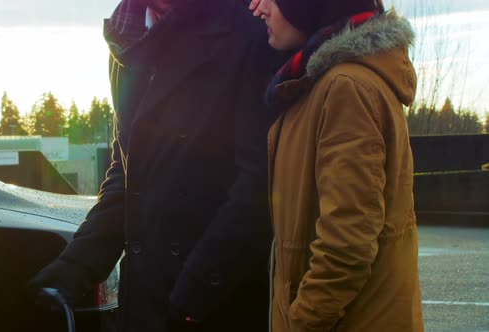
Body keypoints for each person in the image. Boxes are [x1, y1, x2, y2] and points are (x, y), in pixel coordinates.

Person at [31, 0, 279, 331]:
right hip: (146, 301)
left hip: (213, 304)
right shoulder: (126, 39)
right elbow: (128, 176)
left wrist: (194, 292)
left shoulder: (247, 29)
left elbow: (258, 184)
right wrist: (71, 271)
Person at [248, 0, 424, 331]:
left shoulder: (345, 88)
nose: (259, 9)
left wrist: (302, 321)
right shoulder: (315, 85)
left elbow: (347, 243)